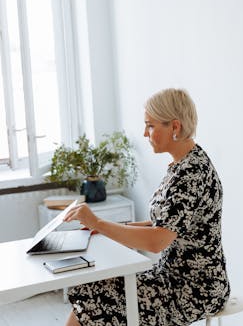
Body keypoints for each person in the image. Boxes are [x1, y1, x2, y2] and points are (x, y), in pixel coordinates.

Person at [64, 88, 230, 326]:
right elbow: (162, 224)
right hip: (170, 277)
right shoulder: (182, 165)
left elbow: (156, 241)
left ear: (175, 127)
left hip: (194, 289)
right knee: (93, 288)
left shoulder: (192, 173)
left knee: (95, 295)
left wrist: (99, 223)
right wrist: (105, 228)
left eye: (150, 126)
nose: (144, 133)